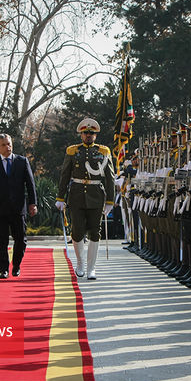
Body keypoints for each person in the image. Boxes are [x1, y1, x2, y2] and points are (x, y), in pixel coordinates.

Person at [55, 118, 115, 280]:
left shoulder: (103, 151)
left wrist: (110, 200)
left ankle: (91, 268)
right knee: (77, 231)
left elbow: (110, 177)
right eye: (86, 133)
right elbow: (65, 175)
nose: (88, 135)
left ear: (95, 135)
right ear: (81, 134)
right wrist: (61, 197)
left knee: (95, 232)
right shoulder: (73, 151)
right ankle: (80, 264)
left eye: (91, 133)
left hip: (96, 195)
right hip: (76, 195)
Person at [0, 133, 38, 279]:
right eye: (3, 145)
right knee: (1, 240)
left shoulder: (22, 161)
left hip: (18, 208)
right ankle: (3, 269)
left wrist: (33, 203)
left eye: (9, 144)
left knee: (21, 239)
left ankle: (17, 265)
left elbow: (30, 184)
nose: (7, 147)